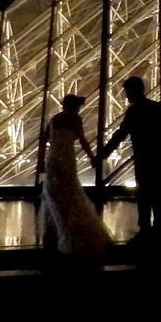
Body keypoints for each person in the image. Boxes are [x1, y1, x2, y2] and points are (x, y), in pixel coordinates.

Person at [100, 76, 161, 245]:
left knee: (144, 196)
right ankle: (158, 233)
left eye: (126, 93)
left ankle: (146, 232)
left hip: (145, 160)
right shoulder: (157, 107)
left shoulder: (134, 111)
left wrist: (104, 152)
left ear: (132, 92)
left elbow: (120, 134)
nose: (126, 97)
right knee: (158, 197)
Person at [40, 94, 114, 257]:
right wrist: (91, 157)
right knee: (70, 191)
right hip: (66, 157)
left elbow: (44, 140)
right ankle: (72, 229)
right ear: (74, 106)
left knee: (54, 193)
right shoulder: (74, 118)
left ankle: (55, 228)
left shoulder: (54, 119)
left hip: (52, 158)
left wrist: (40, 161)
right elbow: (82, 140)